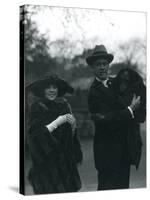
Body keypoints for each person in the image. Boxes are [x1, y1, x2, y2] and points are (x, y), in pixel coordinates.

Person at [87, 44, 145, 190]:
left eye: (104, 64)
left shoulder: (117, 83)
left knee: (123, 190)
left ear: (109, 66)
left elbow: (137, 87)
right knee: (107, 190)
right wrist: (130, 110)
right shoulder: (93, 92)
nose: (102, 67)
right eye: (98, 64)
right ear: (93, 68)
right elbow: (106, 120)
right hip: (107, 153)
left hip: (124, 151)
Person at [26, 75, 83, 194]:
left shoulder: (64, 107)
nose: (52, 90)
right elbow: (34, 138)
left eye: (54, 87)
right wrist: (57, 122)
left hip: (66, 168)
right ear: (42, 90)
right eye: (48, 88)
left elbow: (69, 141)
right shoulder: (36, 109)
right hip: (46, 168)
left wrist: (72, 129)